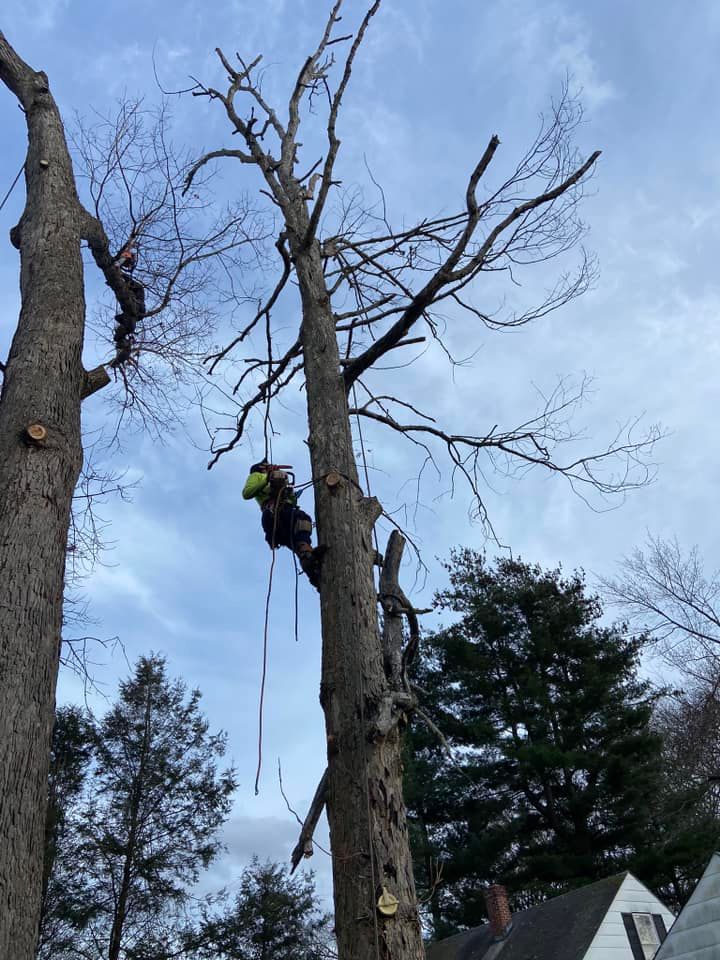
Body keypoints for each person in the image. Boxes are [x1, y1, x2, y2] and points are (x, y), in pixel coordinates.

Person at [243, 461, 324, 589]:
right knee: (301, 518)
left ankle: (314, 575)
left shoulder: (273, 476)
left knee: (299, 542)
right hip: (273, 513)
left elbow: (290, 500)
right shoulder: (256, 476)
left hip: (284, 513)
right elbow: (247, 493)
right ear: (261, 468)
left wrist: (291, 496)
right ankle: (307, 555)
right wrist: (267, 478)